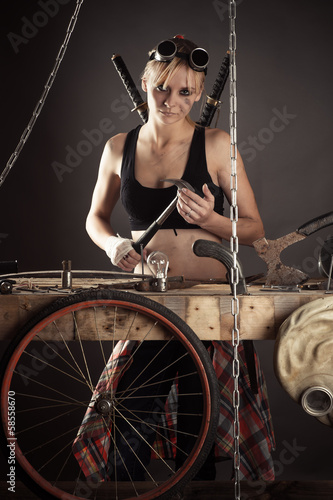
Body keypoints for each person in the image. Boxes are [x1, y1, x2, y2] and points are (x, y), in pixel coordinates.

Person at [83, 35, 275, 482]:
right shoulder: (118, 148)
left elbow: (255, 229)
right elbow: (95, 218)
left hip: (209, 309)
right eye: (162, 88)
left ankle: (196, 489)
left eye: (186, 92)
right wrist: (112, 245)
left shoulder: (216, 145)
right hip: (149, 302)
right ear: (146, 82)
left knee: (198, 418)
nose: (172, 101)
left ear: (200, 93)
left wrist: (210, 219)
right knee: (131, 407)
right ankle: (124, 490)